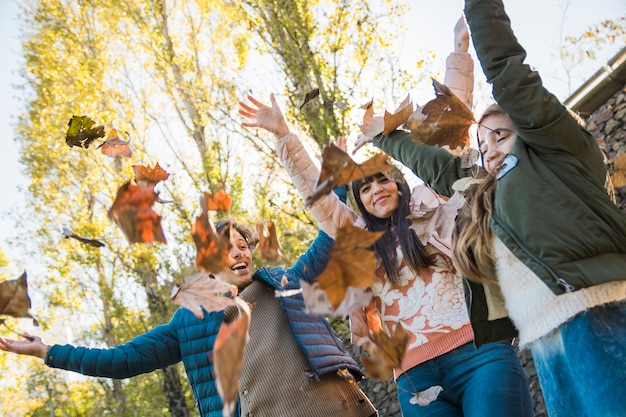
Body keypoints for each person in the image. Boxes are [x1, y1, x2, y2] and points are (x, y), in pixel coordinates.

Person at [238, 20, 533, 417]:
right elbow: (317, 193)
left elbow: (449, 129)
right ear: (357, 200)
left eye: (383, 181)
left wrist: (460, 51)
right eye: (364, 188)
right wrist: (283, 134)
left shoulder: (432, 203)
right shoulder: (355, 236)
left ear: (398, 184)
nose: (376, 189)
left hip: (480, 353)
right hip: (416, 379)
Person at [357, 2, 626, 416]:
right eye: (484, 147)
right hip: (546, 336)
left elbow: (506, 74)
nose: (491, 151)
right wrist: (384, 138)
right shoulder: (489, 193)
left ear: (530, 130)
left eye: (501, 136)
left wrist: (476, 18)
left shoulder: (555, 154)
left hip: (597, 309)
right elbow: (441, 165)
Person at [0, 217, 377, 417]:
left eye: (243, 246)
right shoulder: (190, 322)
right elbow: (122, 360)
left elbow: (332, 232)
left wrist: (338, 181)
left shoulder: (287, 283)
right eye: (227, 249)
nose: (239, 253)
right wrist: (47, 351)